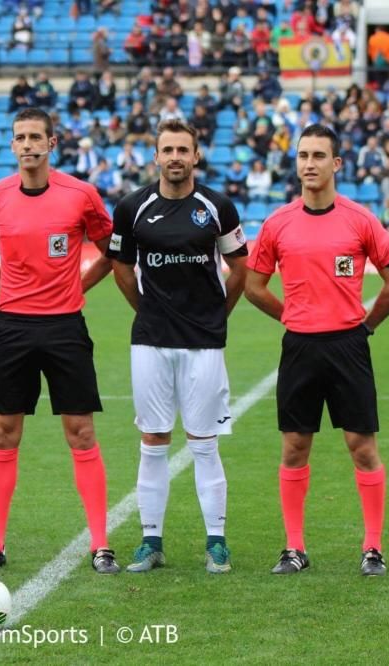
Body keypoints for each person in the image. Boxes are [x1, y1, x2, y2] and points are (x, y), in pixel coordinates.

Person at [243, 124, 389, 577]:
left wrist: (366, 326)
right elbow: (252, 287)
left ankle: (372, 547)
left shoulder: (360, 219)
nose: (309, 164)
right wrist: (290, 317)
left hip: (347, 345)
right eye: (303, 156)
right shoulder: (278, 223)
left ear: (337, 164)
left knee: (361, 446)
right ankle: (294, 548)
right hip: (299, 346)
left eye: (319, 156)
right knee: (295, 446)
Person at [0, 107, 121, 575]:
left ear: (53, 143)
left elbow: (111, 250)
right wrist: (15, 289)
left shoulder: (81, 195)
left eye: (36, 136)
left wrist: (75, 288)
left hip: (65, 326)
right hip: (12, 326)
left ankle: (100, 545)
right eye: (20, 137)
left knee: (81, 432)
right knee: (3, 432)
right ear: (12, 145)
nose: (28, 144)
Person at [107, 119, 248, 575]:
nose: (175, 158)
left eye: (182, 150)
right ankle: (151, 542)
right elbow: (122, 269)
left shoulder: (218, 206)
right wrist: (146, 311)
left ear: (196, 155)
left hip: (203, 343)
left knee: (204, 443)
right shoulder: (132, 207)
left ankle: (217, 542)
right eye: (167, 150)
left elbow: (239, 269)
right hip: (150, 340)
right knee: (152, 440)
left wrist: (215, 316)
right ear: (156, 157)